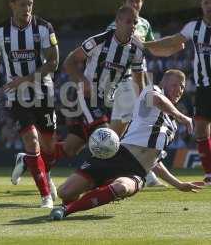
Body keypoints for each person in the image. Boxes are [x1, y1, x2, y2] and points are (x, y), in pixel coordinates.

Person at [50, 70, 201, 220]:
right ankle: (98, 190)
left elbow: (155, 162)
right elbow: (157, 99)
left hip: (136, 171)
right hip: (116, 156)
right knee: (65, 192)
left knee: (121, 187)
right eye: (174, 85)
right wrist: (181, 116)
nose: (179, 90)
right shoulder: (151, 91)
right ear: (163, 83)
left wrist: (179, 184)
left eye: (182, 87)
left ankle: (66, 210)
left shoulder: (172, 125)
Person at [0, 0, 59, 208]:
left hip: (43, 92)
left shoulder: (44, 28)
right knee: (32, 140)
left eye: (29, 4)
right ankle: (45, 195)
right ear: (12, 5)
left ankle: (27, 160)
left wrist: (26, 79)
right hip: (16, 95)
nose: (27, 8)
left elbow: (53, 62)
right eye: (22, 4)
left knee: (48, 147)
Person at [57, 5, 145, 164]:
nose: (132, 26)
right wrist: (82, 80)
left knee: (71, 148)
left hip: (109, 101)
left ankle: (29, 159)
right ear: (118, 22)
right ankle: (94, 179)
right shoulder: (98, 41)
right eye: (128, 21)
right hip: (88, 97)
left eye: (135, 22)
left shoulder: (137, 50)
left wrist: (142, 104)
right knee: (106, 137)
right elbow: (70, 61)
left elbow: (139, 80)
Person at [144, 0, 211, 185]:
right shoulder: (194, 27)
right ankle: (209, 175)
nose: (209, 6)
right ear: (201, 5)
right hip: (204, 87)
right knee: (200, 130)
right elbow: (174, 40)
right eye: (206, 2)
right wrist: (148, 44)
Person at [107, 0, 164, 187]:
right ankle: (147, 174)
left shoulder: (145, 24)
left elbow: (152, 48)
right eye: (131, 0)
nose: (135, 3)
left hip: (139, 78)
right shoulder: (116, 25)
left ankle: (101, 163)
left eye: (138, 0)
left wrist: (171, 46)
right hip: (124, 81)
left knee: (116, 132)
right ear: (124, 3)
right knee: (139, 126)